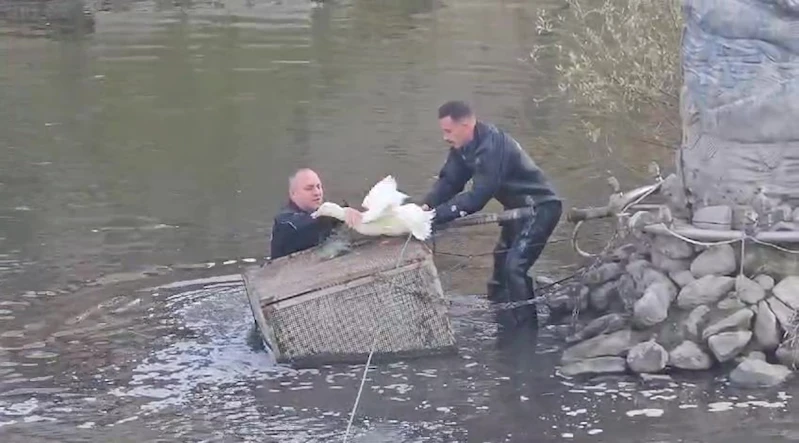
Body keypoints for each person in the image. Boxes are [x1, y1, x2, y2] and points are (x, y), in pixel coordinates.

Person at [421, 100, 562, 326]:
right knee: (500, 265)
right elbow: (449, 182)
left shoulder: (492, 147)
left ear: (465, 125)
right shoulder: (464, 147)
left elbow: (477, 198)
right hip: (516, 211)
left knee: (515, 267)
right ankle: (500, 315)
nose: (445, 137)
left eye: (448, 131)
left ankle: (526, 332)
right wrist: (426, 208)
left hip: (540, 208)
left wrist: (436, 217)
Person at [270, 168, 362, 259]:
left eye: (319, 187)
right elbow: (303, 226)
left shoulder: (322, 212)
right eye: (309, 188)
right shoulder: (284, 221)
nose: (317, 192)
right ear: (293, 193)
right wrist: (339, 214)